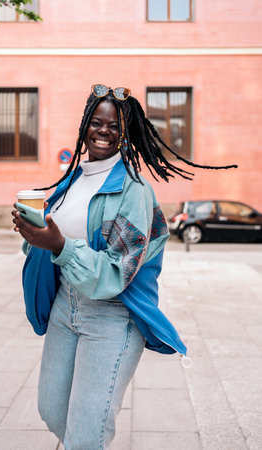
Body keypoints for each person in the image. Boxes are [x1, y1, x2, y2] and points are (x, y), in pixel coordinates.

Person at [12, 84, 237, 450]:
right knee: (52, 411)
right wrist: (33, 234)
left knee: (87, 435)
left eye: (114, 125)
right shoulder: (70, 181)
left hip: (112, 316)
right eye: (97, 122)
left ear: (125, 133)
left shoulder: (134, 190)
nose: (104, 130)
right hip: (64, 308)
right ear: (84, 126)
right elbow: (51, 244)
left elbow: (117, 271)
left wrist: (58, 245)